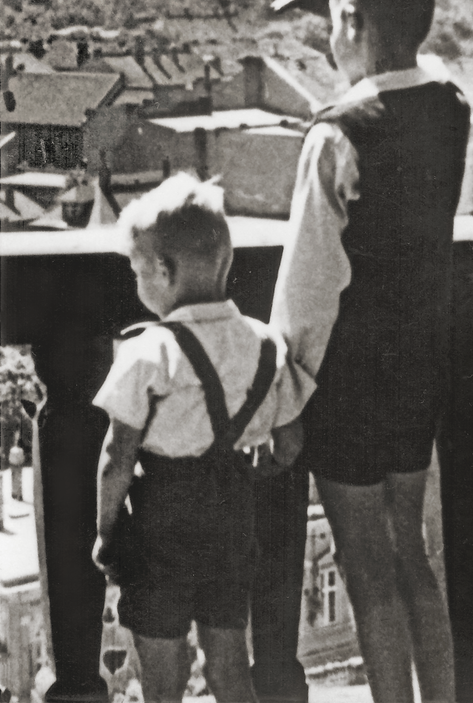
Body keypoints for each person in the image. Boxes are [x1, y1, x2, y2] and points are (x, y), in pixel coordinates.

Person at [271, 0, 471, 703]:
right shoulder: (452, 108)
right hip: (419, 364)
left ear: (352, 23)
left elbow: (309, 280)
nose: (328, 41)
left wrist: (285, 399)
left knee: (365, 565)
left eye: (332, 24)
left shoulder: (337, 133)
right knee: (411, 551)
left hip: (350, 376)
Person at [91, 173, 313, 703]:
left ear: (163, 272)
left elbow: (116, 455)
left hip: (159, 524)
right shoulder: (263, 344)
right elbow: (290, 442)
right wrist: (252, 469)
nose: (138, 284)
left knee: (163, 676)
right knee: (230, 664)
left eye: (138, 271)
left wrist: (105, 530)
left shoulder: (150, 353)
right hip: (232, 515)